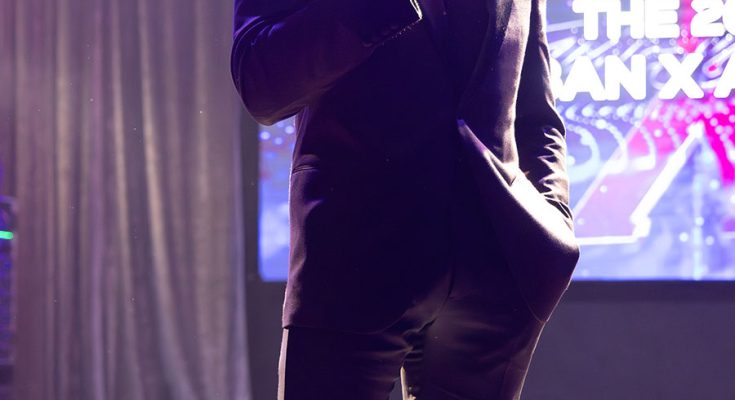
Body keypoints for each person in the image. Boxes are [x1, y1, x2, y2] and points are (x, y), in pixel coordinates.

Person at [230, 0, 579, 398]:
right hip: (353, 267)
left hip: (495, 275)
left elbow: (536, 112)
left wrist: (555, 219)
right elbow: (260, 85)